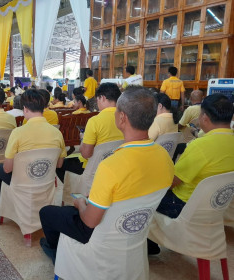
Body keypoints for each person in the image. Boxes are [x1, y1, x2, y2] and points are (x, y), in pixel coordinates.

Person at [39, 86, 174, 263]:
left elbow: (89, 221)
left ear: (122, 117)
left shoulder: (111, 165)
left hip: (101, 234)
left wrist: (80, 204)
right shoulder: (165, 157)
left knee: (47, 213)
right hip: (133, 228)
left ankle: (60, 255)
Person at [148, 94, 234, 254]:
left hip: (183, 206)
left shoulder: (201, 146)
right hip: (214, 208)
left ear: (204, 117)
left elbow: (171, 181)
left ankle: (150, 246)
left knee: (144, 196)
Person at [0, 89, 67, 218]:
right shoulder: (56, 132)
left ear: (25, 109)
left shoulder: (18, 132)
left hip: (22, 182)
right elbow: (59, 164)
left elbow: (7, 169)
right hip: (45, 180)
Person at [56, 83, 124, 184]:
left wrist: (83, 139)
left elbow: (86, 154)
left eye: (97, 100)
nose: (97, 103)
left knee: (60, 165)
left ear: (103, 98)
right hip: (119, 166)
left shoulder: (95, 121)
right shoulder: (126, 118)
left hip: (94, 168)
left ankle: (77, 194)